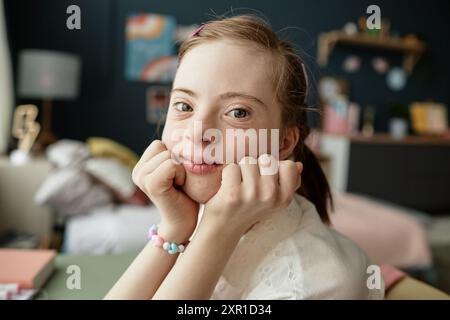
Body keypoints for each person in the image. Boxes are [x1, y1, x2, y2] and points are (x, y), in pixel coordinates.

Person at [105, 15, 383, 300]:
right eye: (184, 105)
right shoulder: (200, 209)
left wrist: (219, 227)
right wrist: (173, 228)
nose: (198, 133)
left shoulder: (310, 286)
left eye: (238, 112)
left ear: (284, 142)